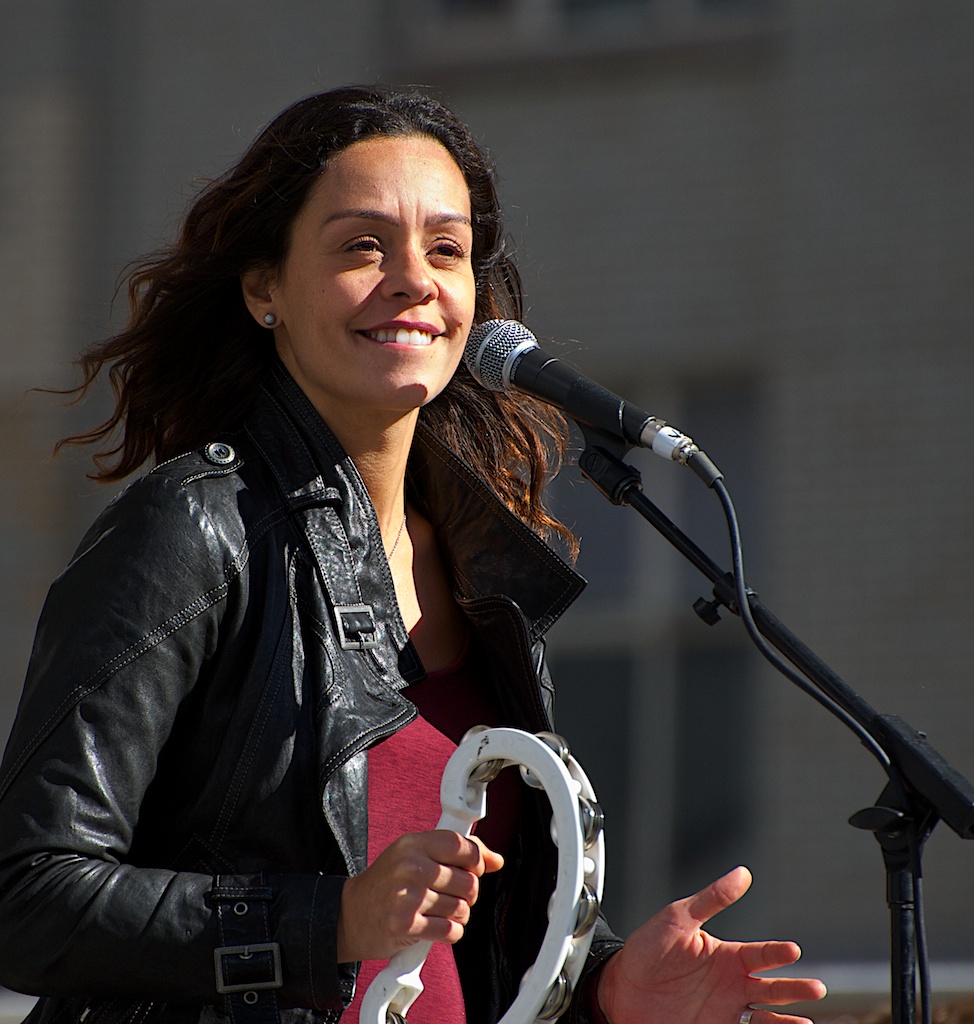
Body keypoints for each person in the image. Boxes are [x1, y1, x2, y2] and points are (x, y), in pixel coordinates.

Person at [0, 85, 826, 1024]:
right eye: (361, 245)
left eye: (446, 249)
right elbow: (27, 899)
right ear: (263, 287)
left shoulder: (482, 564)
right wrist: (328, 920)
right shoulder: (193, 529)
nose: (414, 279)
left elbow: (460, 934)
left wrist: (601, 989)